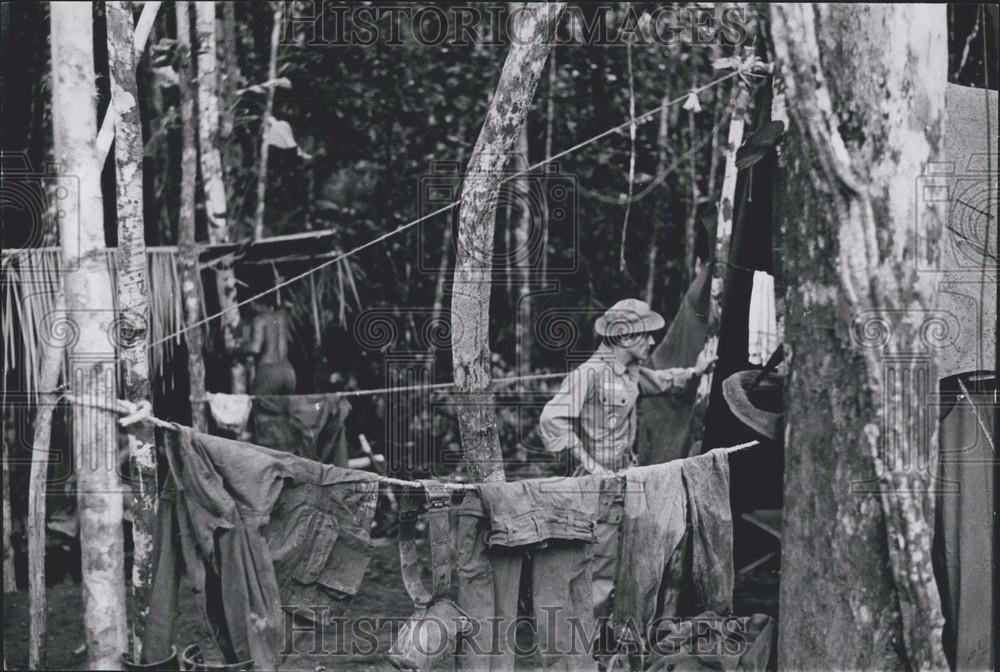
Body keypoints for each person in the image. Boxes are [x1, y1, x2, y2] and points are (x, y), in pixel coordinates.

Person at [538, 298, 715, 621]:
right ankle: (581, 653)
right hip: (598, 488)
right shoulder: (589, 373)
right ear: (623, 338)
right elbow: (552, 419)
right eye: (645, 334)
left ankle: (598, 641)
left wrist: (695, 371)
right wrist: (592, 466)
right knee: (599, 571)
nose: (651, 341)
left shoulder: (628, 372)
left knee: (618, 563)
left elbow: (661, 381)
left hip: (623, 480)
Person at [245, 295, 296, 395]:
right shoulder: (283, 316)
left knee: (259, 407)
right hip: (288, 373)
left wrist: (234, 349)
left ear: (254, 303)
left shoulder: (260, 319)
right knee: (282, 409)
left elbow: (255, 348)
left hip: (269, 371)